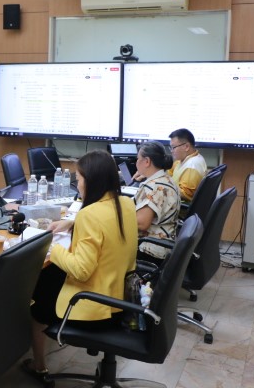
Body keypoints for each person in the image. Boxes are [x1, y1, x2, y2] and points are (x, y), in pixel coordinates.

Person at [21, 150, 138, 382]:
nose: (78, 185)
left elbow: (81, 271)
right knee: (50, 277)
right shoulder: (125, 203)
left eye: (79, 179)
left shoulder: (90, 214)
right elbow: (107, 227)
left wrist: (52, 248)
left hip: (93, 306)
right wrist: (71, 223)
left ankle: (39, 366)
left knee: (37, 297)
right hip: (120, 299)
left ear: (92, 181)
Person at [134, 141, 181, 262]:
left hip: (150, 249)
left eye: (138, 158)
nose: (136, 162)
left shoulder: (154, 187)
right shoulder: (166, 179)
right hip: (164, 241)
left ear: (147, 161)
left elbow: (142, 224)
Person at [168, 128, 207, 202]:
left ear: (186, 147)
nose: (171, 151)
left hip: (180, 206)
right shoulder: (183, 159)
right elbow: (169, 173)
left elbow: (185, 195)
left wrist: (163, 186)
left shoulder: (192, 166)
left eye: (173, 147)